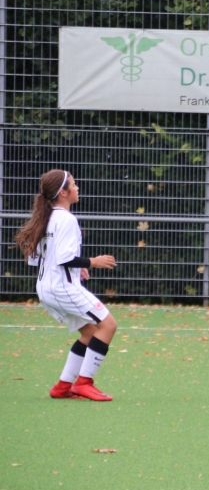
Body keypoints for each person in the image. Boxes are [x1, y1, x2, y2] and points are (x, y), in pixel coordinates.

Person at [15, 170, 119, 401]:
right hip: (63, 289)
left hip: (46, 288)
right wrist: (93, 262)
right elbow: (63, 258)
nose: (77, 187)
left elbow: (38, 257)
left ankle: (62, 387)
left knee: (90, 333)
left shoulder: (46, 217)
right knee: (108, 325)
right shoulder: (67, 219)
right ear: (63, 192)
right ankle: (84, 383)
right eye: (73, 184)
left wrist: (76, 268)